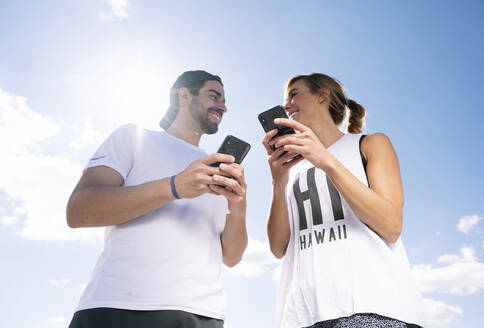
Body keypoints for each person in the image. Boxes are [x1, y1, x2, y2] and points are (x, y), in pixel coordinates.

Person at [66, 70, 248, 328]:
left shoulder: (215, 170)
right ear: (184, 95)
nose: (223, 106)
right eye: (214, 95)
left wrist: (238, 207)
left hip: (202, 316)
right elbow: (78, 211)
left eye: (224, 99)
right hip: (119, 308)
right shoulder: (133, 138)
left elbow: (231, 257)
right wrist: (175, 186)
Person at [262, 73, 423, 328]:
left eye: (294, 94)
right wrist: (279, 181)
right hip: (305, 316)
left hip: (371, 309)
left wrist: (326, 161)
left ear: (322, 95)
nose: (287, 105)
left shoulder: (369, 144)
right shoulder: (295, 168)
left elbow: (391, 225)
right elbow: (279, 247)